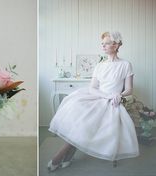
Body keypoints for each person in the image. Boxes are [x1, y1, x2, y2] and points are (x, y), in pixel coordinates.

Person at [47, 31, 139, 172]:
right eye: (102, 44)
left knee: (88, 122)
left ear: (115, 45)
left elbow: (129, 89)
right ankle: (67, 154)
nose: (103, 46)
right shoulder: (100, 65)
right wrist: (106, 96)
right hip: (98, 97)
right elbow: (92, 88)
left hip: (113, 102)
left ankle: (61, 156)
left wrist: (119, 95)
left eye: (106, 43)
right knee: (78, 113)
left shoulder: (125, 65)